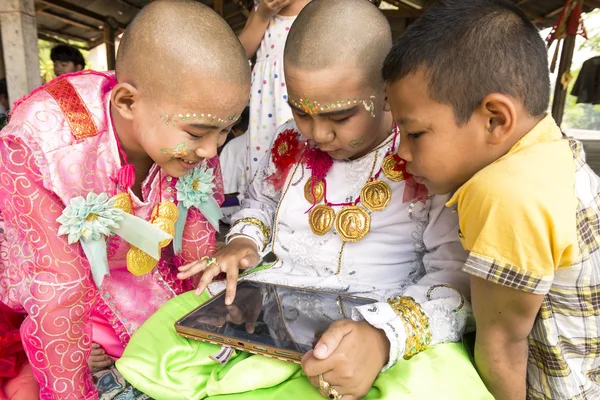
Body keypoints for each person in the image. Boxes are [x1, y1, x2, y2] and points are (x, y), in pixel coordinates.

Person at [116, 1, 492, 399]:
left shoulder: (423, 158)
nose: (317, 134)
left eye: (340, 117)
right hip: (271, 306)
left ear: (386, 95)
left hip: (379, 319)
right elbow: (259, 205)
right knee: (164, 340)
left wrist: (384, 337)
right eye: (301, 111)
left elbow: (456, 277)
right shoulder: (287, 141)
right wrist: (244, 241)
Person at [0, 0, 250, 398]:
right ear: (127, 103)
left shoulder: (193, 125)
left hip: (148, 280)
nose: (211, 152)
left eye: (225, 132)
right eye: (199, 132)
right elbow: (57, 288)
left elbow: (197, 254)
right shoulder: (43, 139)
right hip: (64, 280)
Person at [382, 0, 600, 399]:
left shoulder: (504, 193)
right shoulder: (551, 147)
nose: (402, 153)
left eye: (414, 133)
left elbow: (501, 346)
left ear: (495, 119)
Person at [234, 0, 310, 193]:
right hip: (265, 105)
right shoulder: (261, 7)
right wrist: (262, 15)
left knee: (301, 166)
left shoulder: (319, 6)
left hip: (298, 97)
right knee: (263, 165)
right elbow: (238, 56)